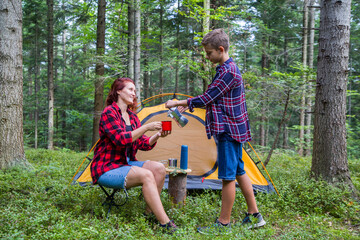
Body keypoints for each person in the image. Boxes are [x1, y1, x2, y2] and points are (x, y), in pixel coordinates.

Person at [165, 29, 266, 234]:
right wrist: (189, 104)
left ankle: (223, 224)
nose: (208, 57)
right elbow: (213, 97)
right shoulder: (225, 69)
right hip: (232, 129)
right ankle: (255, 215)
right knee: (239, 171)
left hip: (229, 130)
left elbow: (208, 97)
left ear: (221, 49)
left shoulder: (228, 71)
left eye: (210, 53)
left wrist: (178, 102)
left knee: (228, 177)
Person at [91, 77, 177, 233]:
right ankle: (166, 223)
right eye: (130, 89)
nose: (134, 93)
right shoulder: (109, 113)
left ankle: (149, 214)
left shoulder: (132, 116)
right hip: (106, 167)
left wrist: (157, 135)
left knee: (159, 169)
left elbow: (142, 143)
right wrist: (146, 127)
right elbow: (120, 139)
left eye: (135, 91)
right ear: (118, 91)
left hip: (125, 163)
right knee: (146, 175)